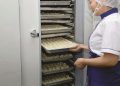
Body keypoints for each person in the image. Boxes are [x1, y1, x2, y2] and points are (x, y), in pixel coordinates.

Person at [70, 0, 120, 86]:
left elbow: (110, 60)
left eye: (90, 2)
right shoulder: (109, 19)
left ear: (101, 2)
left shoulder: (112, 22)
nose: (90, 7)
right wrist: (83, 46)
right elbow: (105, 46)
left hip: (106, 74)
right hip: (101, 71)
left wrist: (84, 61)